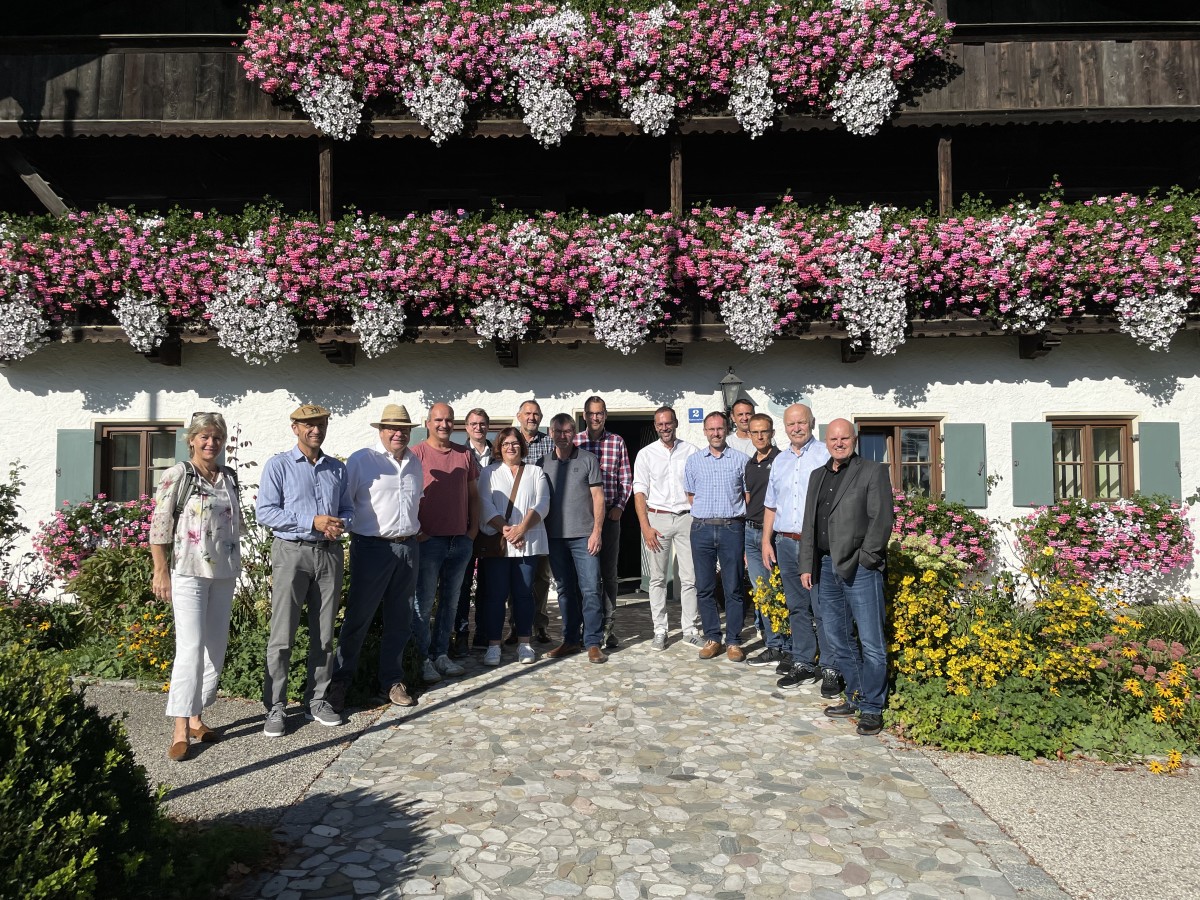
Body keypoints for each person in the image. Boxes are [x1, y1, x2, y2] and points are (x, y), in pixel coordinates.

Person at [256, 403, 352, 737]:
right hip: (292, 553)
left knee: (324, 635)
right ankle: (276, 706)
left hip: (328, 554)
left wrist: (340, 524)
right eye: (309, 424)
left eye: (321, 424)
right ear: (295, 427)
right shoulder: (278, 466)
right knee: (282, 635)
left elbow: (348, 509)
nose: (316, 429)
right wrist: (312, 521)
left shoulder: (336, 469)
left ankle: (317, 701)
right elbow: (265, 512)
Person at [150, 412, 241, 761]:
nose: (210, 442)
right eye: (204, 436)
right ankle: (179, 729)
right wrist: (161, 570)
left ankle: (196, 716)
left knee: (215, 649)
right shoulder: (179, 474)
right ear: (191, 439)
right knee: (190, 647)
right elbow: (159, 526)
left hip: (224, 572)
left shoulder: (229, 477)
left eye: (216, 437)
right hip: (188, 571)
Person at [799, 418, 894, 736]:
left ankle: (872, 707)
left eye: (844, 438)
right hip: (825, 567)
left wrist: (867, 559)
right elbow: (809, 523)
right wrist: (807, 564)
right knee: (839, 638)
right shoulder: (818, 476)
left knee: (871, 642)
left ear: (854, 439)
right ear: (826, 441)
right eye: (833, 439)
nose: (838, 443)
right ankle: (855, 697)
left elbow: (881, 520)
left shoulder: (872, 471)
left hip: (860, 568)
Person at [327, 404, 425, 711]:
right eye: (392, 428)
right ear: (380, 431)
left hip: (408, 547)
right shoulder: (362, 460)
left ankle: (392, 681)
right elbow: (345, 502)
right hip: (372, 547)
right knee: (359, 617)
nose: (399, 433)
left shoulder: (414, 462)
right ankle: (341, 682)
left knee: (401, 617)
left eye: (404, 429)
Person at [762, 404, 838, 692]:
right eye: (791, 424)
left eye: (801, 423)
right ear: (784, 428)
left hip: (816, 544)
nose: (796, 428)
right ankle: (804, 662)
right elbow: (771, 505)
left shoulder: (825, 455)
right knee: (797, 607)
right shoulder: (779, 461)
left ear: (811, 423)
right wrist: (767, 540)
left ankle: (831, 667)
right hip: (785, 542)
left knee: (823, 607)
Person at [410, 403, 481, 684]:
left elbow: (474, 495)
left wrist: (473, 531)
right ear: (427, 423)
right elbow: (406, 495)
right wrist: (418, 532)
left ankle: (441, 654)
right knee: (423, 603)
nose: (444, 424)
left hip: (459, 541)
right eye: (438, 420)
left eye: (449, 420)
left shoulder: (464, 454)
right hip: (428, 542)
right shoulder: (416, 455)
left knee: (450, 604)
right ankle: (422, 658)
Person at [478, 427, 550, 666]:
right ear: (499, 447)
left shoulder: (535, 472)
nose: (511, 447)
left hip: (527, 543)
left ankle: (525, 643)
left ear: (522, 445)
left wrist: (521, 529)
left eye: (515, 443)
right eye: (506, 443)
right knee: (495, 596)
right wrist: (508, 530)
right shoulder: (489, 472)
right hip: (499, 544)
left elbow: (543, 504)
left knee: (524, 594)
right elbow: (485, 505)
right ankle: (493, 646)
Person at [683, 411, 750, 662]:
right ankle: (713, 637)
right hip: (701, 528)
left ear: (727, 429)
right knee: (704, 587)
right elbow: (691, 496)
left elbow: (747, 496)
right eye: (711, 429)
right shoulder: (694, 461)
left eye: (720, 429)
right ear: (704, 432)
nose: (716, 433)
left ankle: (733, 641)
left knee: (733, 587)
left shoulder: (741, 460)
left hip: (731, 528)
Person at [540, 413, 607, 663]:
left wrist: (597, 532)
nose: (562, 436)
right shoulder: (542, 463)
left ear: (574, 432)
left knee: (590, 589)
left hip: (584, 537)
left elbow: (598, 498)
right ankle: (570, 640)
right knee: (565, 590)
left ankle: (592, 642)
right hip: (555, 538)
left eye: (567, 431)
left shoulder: (588, 460)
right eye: (558, 431)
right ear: (550, 433)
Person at [632, 406, 699, 651]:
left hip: (686, 518)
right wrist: (645, 527)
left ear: (676, 423)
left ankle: (690, 629)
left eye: (668, 423)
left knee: (690, 577)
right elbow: (639, 492)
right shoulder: (646, 454)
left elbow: (699, 488)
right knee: (657, 579)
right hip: (657, 519)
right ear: (655, 426)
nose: (664, 428)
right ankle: (660, 629)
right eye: (660, 424)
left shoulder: (691, 451)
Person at [573, 395, 632, 649]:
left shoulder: (616, 442)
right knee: (585, 576)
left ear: (605, 415)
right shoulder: (576, 442)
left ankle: (608, 625)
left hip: (608, 517)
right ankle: (586, 626)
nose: (596, 417)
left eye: (600, 413)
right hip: (580, 519)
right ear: (584, 416)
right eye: (591, 413)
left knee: (608, 574)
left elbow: (626, 479)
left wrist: (619, 506)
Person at [742, 412, 783, 665]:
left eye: (763, 431)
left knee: (780, 590)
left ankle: (786, 644)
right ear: (749, 434)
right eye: (754, 432)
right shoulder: (750, 464)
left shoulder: (781, 460)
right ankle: (773, 644)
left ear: (772, 433)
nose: (759, 436)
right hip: (750, 532)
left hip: (774, 535)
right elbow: (749, 499)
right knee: (762, 591)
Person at [512, 399, 553, 644]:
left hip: (541, 522)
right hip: (512, 523)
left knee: (540, 578)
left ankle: (539, 625)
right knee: (515, 578)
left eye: (536, 414)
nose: (532, 417)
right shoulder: (510, 442)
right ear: (519, 416)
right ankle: (515, 626)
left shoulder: (549, 444)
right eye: (527, 413)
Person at [455, 408, 493, 655]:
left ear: (487, 426)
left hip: (490, 528)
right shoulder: (458, 454)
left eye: (482, 423)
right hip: (465, 526)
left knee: (488, 584)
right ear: (466, 427)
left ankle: (483, 631)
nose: (478, 428)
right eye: (473, 424)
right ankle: (460, 633)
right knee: (462, 583)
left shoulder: (499, 454)